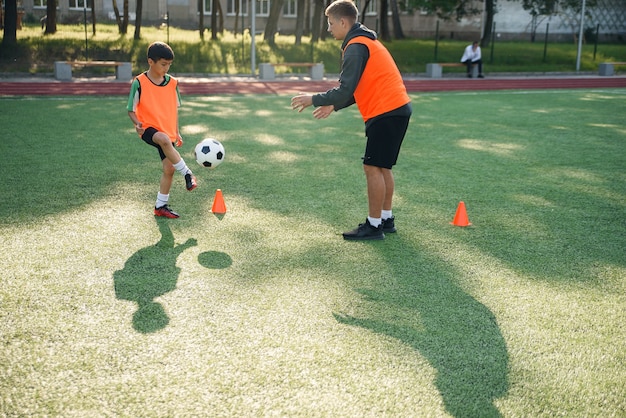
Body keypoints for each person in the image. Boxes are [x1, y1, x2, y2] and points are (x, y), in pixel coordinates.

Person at [291, 0, 411, 241]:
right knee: (382, 166)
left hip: (385, 111)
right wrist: (333, 105)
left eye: (331, 23)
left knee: (372, 167)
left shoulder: (356, 45)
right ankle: (386, 220)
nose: (329, 28)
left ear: (343, 22)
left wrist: (313, 99)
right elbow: (357, 89)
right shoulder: (366, 40)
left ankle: (374, 225)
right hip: (396, 109)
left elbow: (346, 89)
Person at [127, 41, 197, 219]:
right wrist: (137, 123)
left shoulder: (173, 83)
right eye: (163, 64)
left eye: (169, 65)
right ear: (151, 62)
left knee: (168, 169)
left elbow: (173, 109)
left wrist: (177, 130)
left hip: (167, 129)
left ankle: (160, 206)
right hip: (148, 128)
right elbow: (131, 109)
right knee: (164, 140)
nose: (166, 68)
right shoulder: (139, 82)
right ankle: (188, 173)